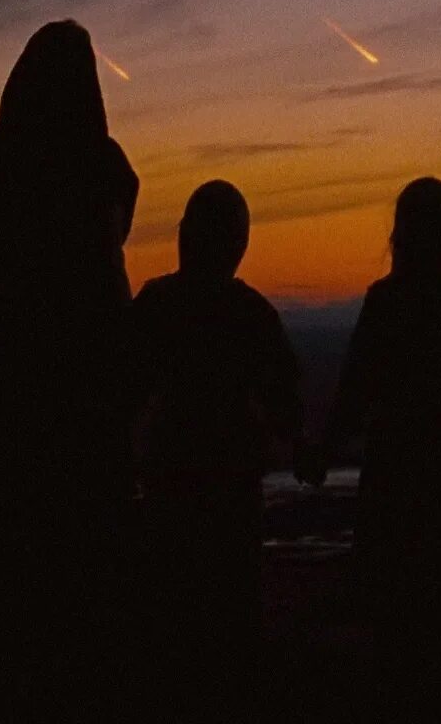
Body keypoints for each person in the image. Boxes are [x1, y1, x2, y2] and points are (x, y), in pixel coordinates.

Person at [0, 20, 138, 712]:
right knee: (84, 545)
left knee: (17, 538)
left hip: (18, 372)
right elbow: (111, 238)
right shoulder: (103, 161)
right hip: (87, 376)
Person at [296, 177, 441, 689]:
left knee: (390, 643)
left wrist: (319, 454)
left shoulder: (385, 303)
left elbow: (353, 394)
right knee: (439, 642)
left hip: (390, 493)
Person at [131, 181, 300, 703]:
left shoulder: (158, 304)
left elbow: (121, 388)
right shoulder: (253, 315)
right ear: (239, 244)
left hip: (170, 483)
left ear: (186, 237)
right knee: (232, 626)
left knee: (172, 626)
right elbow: (285, 404)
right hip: (232, 491)